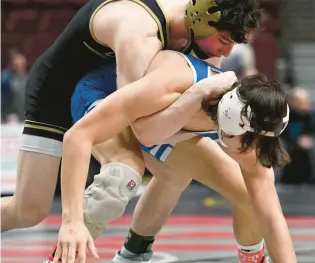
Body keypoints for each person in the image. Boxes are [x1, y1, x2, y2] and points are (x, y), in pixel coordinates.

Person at [1, 0, 260, 235]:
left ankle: (132, 252)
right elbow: (136, 122)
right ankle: (71, 244)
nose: (227, 53)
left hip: (113, 89)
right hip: (60, 89)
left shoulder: (199, 29)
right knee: (31, 208)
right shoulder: (139, 33)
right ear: (201, 18)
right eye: (225, 40)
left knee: (175, 173)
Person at [51, 52, 296, 263]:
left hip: (156, 121)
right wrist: (71, 221)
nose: (251, 151)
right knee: (119, 180)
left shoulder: (240, 121)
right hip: (103, 95)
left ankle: (132, 255)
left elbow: (273, 217)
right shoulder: (180, 87)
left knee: (244, 193)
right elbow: (86, 136)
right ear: (231, 120)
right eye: (250, 140)